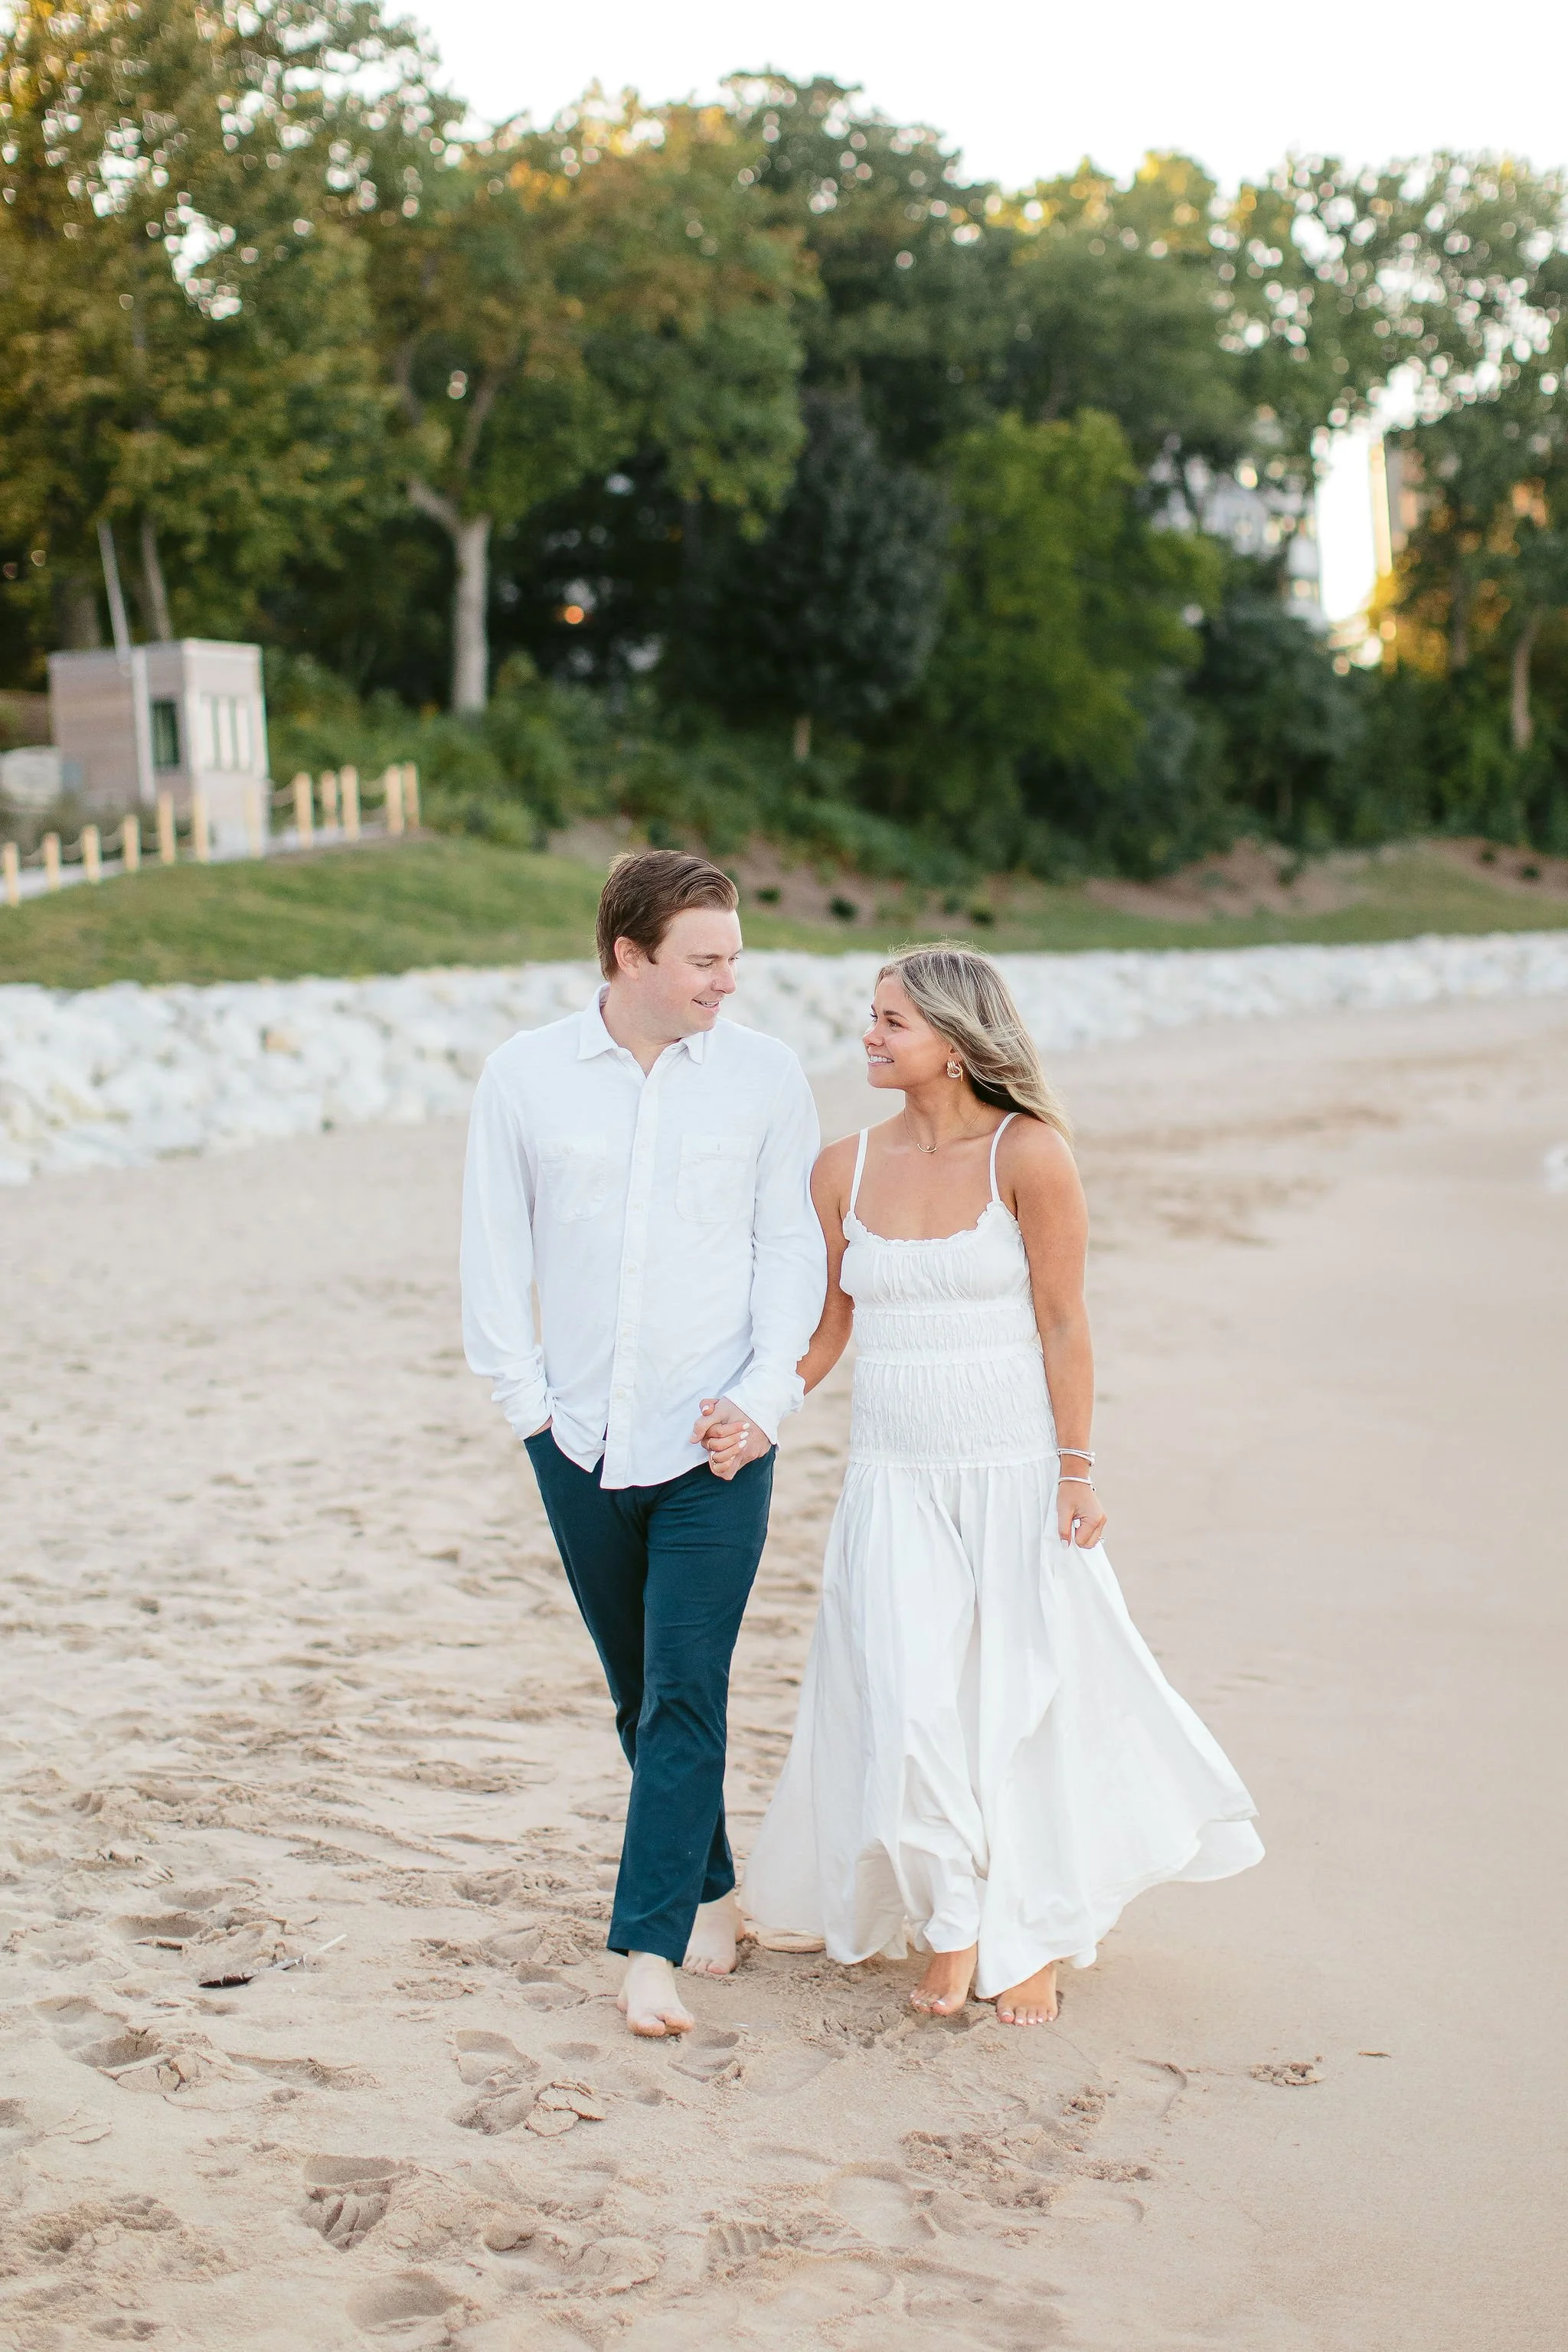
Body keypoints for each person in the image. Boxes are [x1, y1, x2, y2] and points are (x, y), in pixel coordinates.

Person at [725, 944, 1263, 2025]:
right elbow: (827, 1331)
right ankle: (955, 1920)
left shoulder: (1031, 1153)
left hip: (1014, 1473)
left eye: (893, 1021)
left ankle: (1035, 1929)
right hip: (892, 1479)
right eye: (872, 1015)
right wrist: (757, 1411)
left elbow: (1064, 1322)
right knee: (908, 1701)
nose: (870, 1036)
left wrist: (1077, 1469)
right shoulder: (842, 1169)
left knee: (1018, 1703)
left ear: (958, 1042)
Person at [461, 849, 826, 2038]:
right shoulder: (524, 1077)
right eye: (704, 960)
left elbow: (792, 1252)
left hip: (720, 1446)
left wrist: (764, 1400)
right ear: (630, 956)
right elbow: (492, 1249)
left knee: (684, 1689)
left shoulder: (766, 1078)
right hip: (577, 1441)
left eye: (733, 957)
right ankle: (710, 1884)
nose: (728, 980)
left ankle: (649, 1952)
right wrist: (529, 1411)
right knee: (638, 1696)